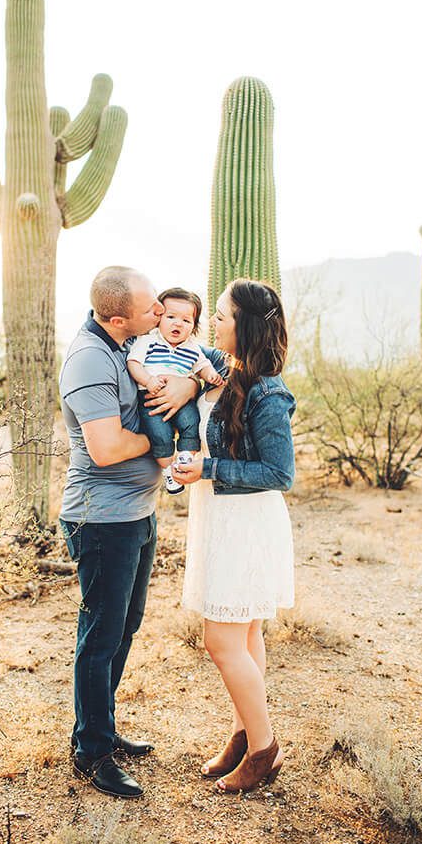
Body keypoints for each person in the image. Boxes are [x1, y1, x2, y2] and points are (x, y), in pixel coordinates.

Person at [59, 265, 203, 799]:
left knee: (124, 627)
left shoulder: (124, 344)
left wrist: (188, 381)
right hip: (101, 520)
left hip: (136, 514)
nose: (158, 315)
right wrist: (160, 445)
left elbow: (190, 373)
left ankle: (102, 727)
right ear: (118, 317)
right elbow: (107, 448)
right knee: (101, 635)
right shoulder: (90, 359)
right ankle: (91, 751)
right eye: (149, 310)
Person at [169, 278, 297, 793]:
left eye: (221, 314)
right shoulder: (228, 372)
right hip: (221, 518)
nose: (213, 322)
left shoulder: (267, 390)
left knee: (220, 639)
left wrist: (209, 467)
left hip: (245, 525)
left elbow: (280, 472)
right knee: (246, 635)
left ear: (243, 324)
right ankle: (246, 733)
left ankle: (264, 750)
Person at [126, 287, 226, 494]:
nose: (178, 323)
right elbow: (133, 363)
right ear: (159, 319)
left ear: (194, 327)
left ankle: (185, 458)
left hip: (183, 402)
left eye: (186, 320)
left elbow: (203, 366)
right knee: (160, 435)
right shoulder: (149, 341)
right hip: (150, 398)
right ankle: (168, 471)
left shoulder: (192, 348)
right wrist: (148, 379)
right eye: (171, 316)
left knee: (192, 423)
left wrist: (210, 376)